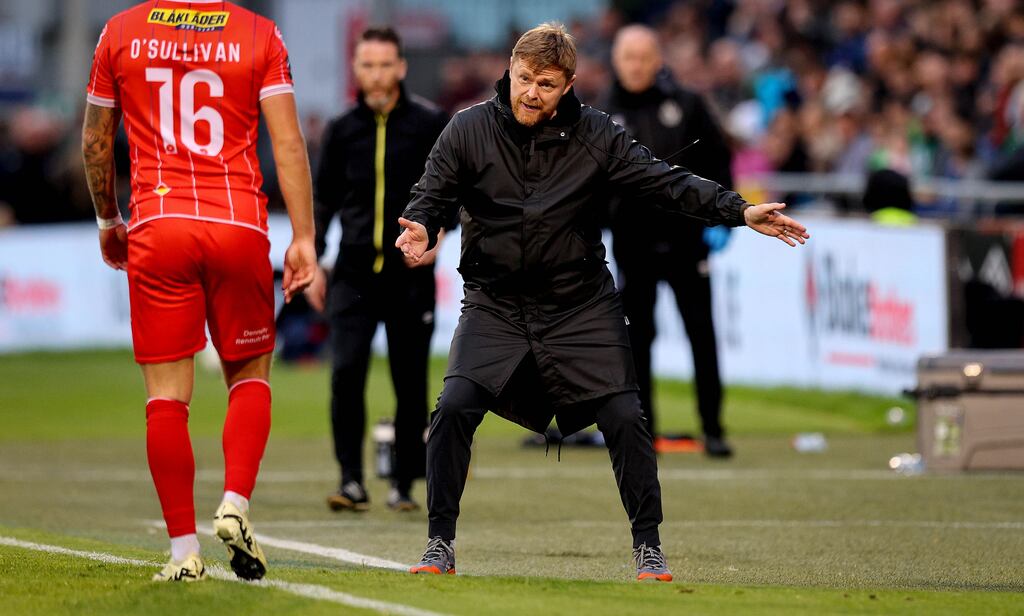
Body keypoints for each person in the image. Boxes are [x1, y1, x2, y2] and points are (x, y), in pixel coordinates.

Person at [395, 23, 808, 581]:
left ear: (567, 85)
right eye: (523, 79)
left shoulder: (597, 133)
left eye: (545, 84)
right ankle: (438, 544)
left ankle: (649, 547)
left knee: (624, 416)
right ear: (509, 70)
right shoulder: (466, 129)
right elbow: (432, 192)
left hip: (580, 304)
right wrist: (422, 225)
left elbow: (664, 181)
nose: (531, 93)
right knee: (453, 408)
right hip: (495, 303)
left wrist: (738, 210)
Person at [82, 0, 316, 582]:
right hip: (237, 224)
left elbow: (95, 141)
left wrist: (109, 219)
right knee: (250, 375)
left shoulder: (120, 32)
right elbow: (288, 143)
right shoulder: (260, 34)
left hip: (159, 224)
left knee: (166, 398)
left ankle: (184, 552)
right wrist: (304, 236)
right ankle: (234, 503)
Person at [306, 26, 450, 513]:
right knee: (346, 374)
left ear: (401, 67)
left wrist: (439, 235)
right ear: (356, 68)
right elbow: (323, 200)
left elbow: (454, 191)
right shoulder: (341, 129)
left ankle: (403, 485)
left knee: (410, 383)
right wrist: (314, 258)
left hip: (410, 274)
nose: (377, 73)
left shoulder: (431, 123)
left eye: (385, 64)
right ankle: (351, 481)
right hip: (352, 275)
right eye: (368, 65)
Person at [602, 24, 735, 457]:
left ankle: (713, 428)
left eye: (644, 57)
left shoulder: (688, 103)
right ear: (616, 60)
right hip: (633, 243)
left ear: (658, 60)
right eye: (629, 57)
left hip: (687, 238)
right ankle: (645, 430)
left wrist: (721, 216)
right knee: (637, 338)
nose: (636, 66)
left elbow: (718, 159)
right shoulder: (601, 112)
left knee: (701, 332)